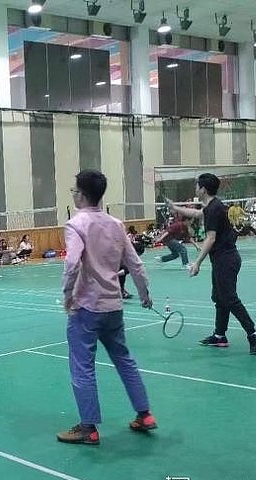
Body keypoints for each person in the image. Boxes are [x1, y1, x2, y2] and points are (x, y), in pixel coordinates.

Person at [58, 169, 156, 445]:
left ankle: (88, 428)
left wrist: (67, 295)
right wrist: (144, 294)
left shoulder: (76, 224)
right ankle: (145, 414)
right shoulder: (116, 224)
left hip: (87, 308)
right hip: (113, 307)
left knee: (82, 366)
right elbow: (135, 263)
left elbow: (72, 263)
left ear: (81, 194)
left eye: (74, 190)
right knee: (124, 360)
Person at [166, 173, 256, 355]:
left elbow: (210, 238)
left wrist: (197, 263)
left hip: (226, 259)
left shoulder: (214, 209)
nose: (195, 188)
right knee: (219, 297)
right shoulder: (212, 206)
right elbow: (197, 213)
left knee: (229, 298)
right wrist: (175, 207)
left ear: (203, 189)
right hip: (222, 259)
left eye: (197, 186)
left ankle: (254, 334)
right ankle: (220, 335)